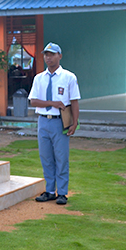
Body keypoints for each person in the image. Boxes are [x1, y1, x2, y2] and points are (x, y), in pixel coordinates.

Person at [28, 43, 80, 205]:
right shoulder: (39, 78)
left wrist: (74, 123)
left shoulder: (69, 77)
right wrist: (53, 103)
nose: (48, 58)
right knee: (46, 157)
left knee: (61, 158)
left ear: (60, 56)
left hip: (60, 123)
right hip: (43, 121)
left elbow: (74, 101)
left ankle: (62, 192)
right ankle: (50, 190)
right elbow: (33, 101)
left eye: (52, 54)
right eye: (46, 55)